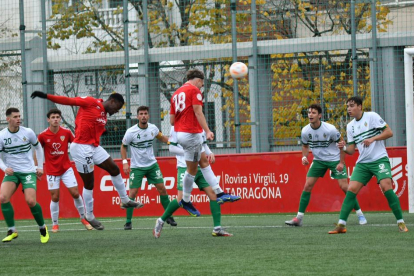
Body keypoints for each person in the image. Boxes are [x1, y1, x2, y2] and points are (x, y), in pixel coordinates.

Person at [31, 91, 142, 230]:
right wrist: (46, 95)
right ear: (112, 101)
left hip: (93, 147)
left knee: (114, 168)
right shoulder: (90, 102)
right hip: (81, 148)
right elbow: (67, 100)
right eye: (117, 108)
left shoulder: (103, 115)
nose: (116, 112)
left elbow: (95, 127)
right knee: (89, 183)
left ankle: (125, 200)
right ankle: (89, 215)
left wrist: (104, 131)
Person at [329, 96, 408, 234]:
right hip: (363, 163)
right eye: (347, 106)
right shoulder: (350, 126)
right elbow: (352, 151)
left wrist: (372, 139)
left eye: (352, 105)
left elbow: (389, 132)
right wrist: (343, 147)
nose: (349, 109)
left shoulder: (372, 116)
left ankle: (400, 222)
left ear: (360, 106)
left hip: (379, 159)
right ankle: (341, 225)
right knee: (351, 189)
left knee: (386, 186)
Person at [169, 68, 240, 216]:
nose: (201, 87)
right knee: (198, 167)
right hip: (191, 133)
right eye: (202, 84)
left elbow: (171, 120)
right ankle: (190, 199)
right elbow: (198, 111)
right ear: (199, 80)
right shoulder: (194, 90)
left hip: (181, 133)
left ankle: (217, 193)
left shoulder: (176, 94)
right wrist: (207, 131)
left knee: (199, 165)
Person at [285, 104, 367, 227]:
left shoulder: (330, 129)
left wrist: (341, 162)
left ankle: (360, 215)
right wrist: (304, 157)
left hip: (334, 159)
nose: (310, 115)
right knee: (307, 185)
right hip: (318, 160)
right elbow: (305, 146)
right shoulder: (305, 131)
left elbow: (341, 144)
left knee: (345, 187)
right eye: (309, 112)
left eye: (313, 113)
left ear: (319, 115)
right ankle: (299, 218)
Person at [153, 126, 232, 238]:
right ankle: (161, 221)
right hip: (185, 167)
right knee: (180, 199)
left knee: (213, 194)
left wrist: (210, 152)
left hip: (200, 167)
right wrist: (188, 153)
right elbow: (172, 148)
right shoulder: (175, 127)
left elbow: (203, 144)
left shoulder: (200, 124)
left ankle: (217, 228)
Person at [37, 108, 93, 232]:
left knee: (75, 193)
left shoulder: (66, 133)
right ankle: (55, 223)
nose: (55, 119)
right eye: (53, 117)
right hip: (52, 171)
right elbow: (37, 150)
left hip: (66, 169)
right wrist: (38, 167)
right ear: (48, 120)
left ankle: (83, 218)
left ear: (60, 119)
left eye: (57, 117)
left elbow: (76, 145)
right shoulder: (43, 135)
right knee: (55, 197)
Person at [0, 108, 49, 243]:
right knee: (3, 198)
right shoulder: (2, 136)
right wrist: (5, 168)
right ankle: (12, 230)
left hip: (28, 171)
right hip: (12, 172)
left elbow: (38, 148)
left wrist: (39, 167)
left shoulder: (28, 132)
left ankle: (42, 228)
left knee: (31, 201)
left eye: (19, 116)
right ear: (8, 119)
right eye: (15, 117)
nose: (18, 119)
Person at [121, 106, 174, 230]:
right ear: (137, 116)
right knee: (132, 193)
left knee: (162, 189)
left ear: (148, 116)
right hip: (136, 167)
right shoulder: (131, 132)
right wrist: (124, 162)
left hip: (152, 165)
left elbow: (161, 137)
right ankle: (128, 222)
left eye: (145, 113)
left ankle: (168, 217)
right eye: (141, 114)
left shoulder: (153, 128)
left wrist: (172, 143)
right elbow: (123, 146)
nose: (143, 116)